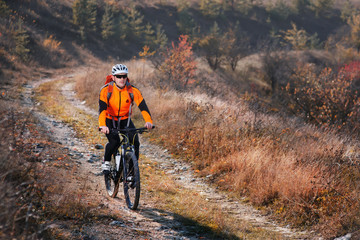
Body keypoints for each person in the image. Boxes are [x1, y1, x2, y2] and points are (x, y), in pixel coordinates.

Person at [99, 63, 153, 174]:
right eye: (119, 76)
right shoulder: (106, 90)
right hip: (110, 119)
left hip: (125, 120)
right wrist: (102, 125)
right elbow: (102, 110)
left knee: (135, 142)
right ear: (113, 77)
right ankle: (107, 162)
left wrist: (149, 121)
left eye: (124, 76)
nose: (122, 79)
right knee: (115, 142)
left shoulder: (132, 91)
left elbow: (143, 107)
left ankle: (132, 172)